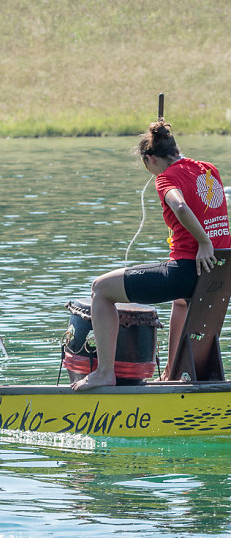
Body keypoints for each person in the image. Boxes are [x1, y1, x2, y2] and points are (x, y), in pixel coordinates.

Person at [73, 120, 230, 390]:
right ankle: (170, 373)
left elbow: (180, 206)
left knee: (100, 289)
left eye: (147, 166)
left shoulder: (166, 178)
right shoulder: (207, 169)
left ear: (150, 159)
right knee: (180, 303)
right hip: (219, 272)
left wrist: (203, 242)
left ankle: (105, 373)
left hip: (186, 271)